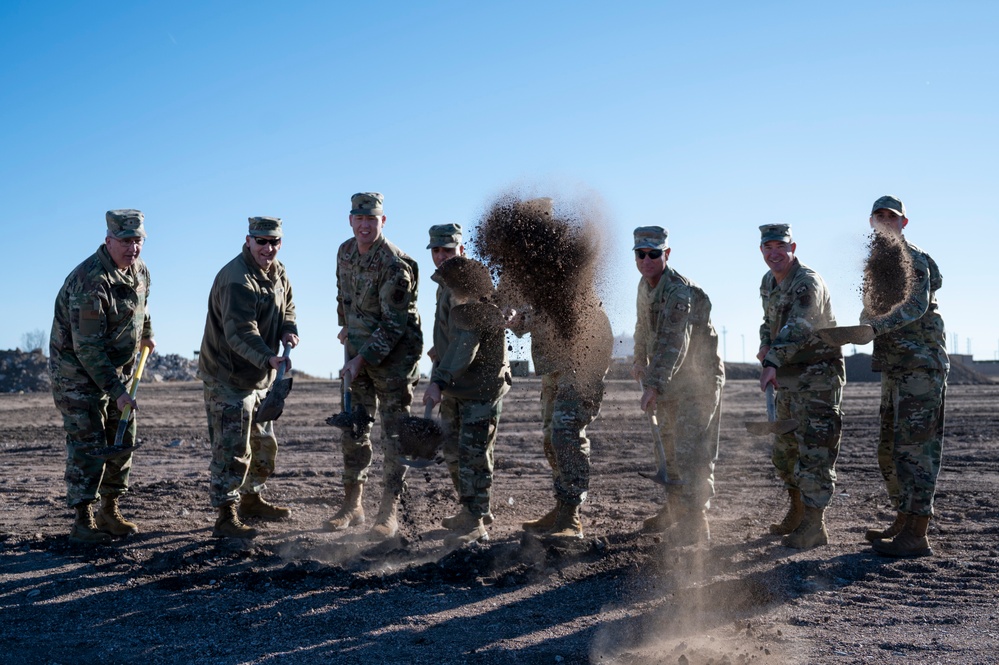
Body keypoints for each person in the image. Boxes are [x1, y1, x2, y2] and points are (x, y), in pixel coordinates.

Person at [829, 196, 948, 558]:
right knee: (890, 451)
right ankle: (904, 518)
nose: (884, 222)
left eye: (891, 217)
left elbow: (916, 306)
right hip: (895, 368)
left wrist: (873, 327)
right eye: (878, 216)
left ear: (903, 223)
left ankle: (917, 533)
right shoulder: (878, 264)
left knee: (917, 451)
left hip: (921, 368)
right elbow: (871, 312)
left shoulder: (915, 259)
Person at [504, 198, 614, 540]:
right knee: (552, 439)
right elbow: (525, 320)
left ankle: (571, 518)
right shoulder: (528, 270)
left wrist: (522, 319)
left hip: (584, 358)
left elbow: (563, 310)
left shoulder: (568, 257)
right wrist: (513, 319)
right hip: (553, 363)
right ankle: (562, 505)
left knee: (566, 434)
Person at [49, 209, 156, 544]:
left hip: (118, 370)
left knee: (122, 437)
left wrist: (147, 333)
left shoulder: (139, 272)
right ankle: (83, 520)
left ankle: (111, 510)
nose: (132, 248)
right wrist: (117, 390)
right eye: (125, 240)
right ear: (108, 240)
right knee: (88, 443)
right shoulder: (89, 282)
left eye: (137, 240)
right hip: (77, 374)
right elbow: (88, 349)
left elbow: (144, 306)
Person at [326, 192, 422, 539]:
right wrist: (346, 326)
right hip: (357, 356)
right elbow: (344, 295)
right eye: (359, 218)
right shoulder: (345, 252)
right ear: (350, 220)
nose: (365, 225)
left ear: (383, 221)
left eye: (372, 219)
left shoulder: (395, 264)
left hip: (393, 358)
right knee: (353, 428)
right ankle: (352, 505)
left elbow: (395, 325)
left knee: (393, 435)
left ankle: (389, 512)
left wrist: (360, 358)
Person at [198, 216, 299, 539]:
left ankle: (251, 499)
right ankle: (226, 516)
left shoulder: (277, 270)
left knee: (264, 446)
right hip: (228, 377)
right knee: (232, 448)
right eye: (261, 242)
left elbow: (289, 306)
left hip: (259, 379)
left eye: (274, 242)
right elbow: (239, 333)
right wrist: (269, 358)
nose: (268, 248)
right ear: (248, 240)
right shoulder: (236, 280)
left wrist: (289, 328)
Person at [631, 226, 724, 545]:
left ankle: (696, 523)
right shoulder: (645, 286)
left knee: (690, 450)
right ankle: (674, 509)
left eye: (654, 254)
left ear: (666, 254)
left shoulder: (678, 290)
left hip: (698, 380)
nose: (647, 259)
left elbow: (676, 341)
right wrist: (638, 359)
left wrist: (653, 384)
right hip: (671, 379)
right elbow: (642, 326)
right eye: (640, 254)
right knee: (667, 447)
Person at [756, 224, 845, 549]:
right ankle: (796, 512)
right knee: (786, 450)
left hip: (818, 377)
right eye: (768, 247)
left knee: (814, 450)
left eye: (781, 246)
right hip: (789, 380)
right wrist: (766, 346)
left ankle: (813, 525)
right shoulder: (769, 282)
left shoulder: (807, 281)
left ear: (793, 248)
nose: (774, 253)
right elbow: (769, 322)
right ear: (761, 251)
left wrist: (772, 361)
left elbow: (800, 324)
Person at [422, 254, 511, 544]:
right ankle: (470, 509)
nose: (441, 255)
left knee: (474, 454)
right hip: (457, 386)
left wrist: (438, 381)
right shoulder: (450, 284)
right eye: (435, 249)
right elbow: (453, 334)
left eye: (447, 248)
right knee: (453, 451)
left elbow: (466, 347)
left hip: (481, 389)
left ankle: (475, 521)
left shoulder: (472, 289)